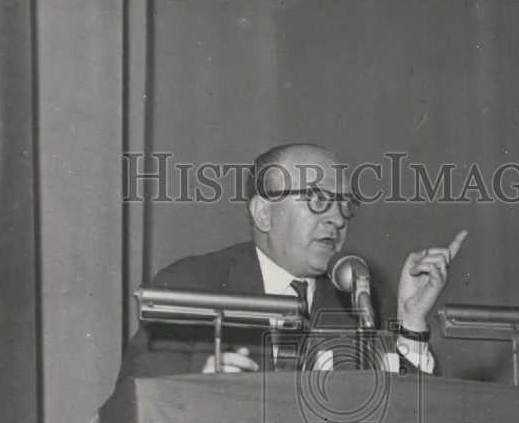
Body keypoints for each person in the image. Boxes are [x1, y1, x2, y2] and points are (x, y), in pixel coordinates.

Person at [118, 143, 466, 378]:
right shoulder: (191, 285)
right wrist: (201, 390)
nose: (337, 218)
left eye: (345, 204)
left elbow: (409, 420)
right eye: (317, 199)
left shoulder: (360, 302)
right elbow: (139, 400)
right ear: (263, 213)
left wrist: (411, 322)